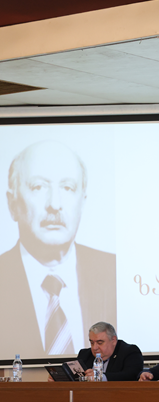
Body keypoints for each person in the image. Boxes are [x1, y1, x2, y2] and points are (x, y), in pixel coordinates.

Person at [0, 141, 115, 357]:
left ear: (82, 202)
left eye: (68, 188)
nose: (54, 204)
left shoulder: (113, 271)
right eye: (38, 187)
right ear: (12, 204)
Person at [76, 322, 143, 381]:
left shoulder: (129, 352)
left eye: (100, 343)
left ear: (113, 340)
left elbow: (131, 376)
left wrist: (101, 377)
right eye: (92, 343)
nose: (94, 348)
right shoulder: (84, 355)